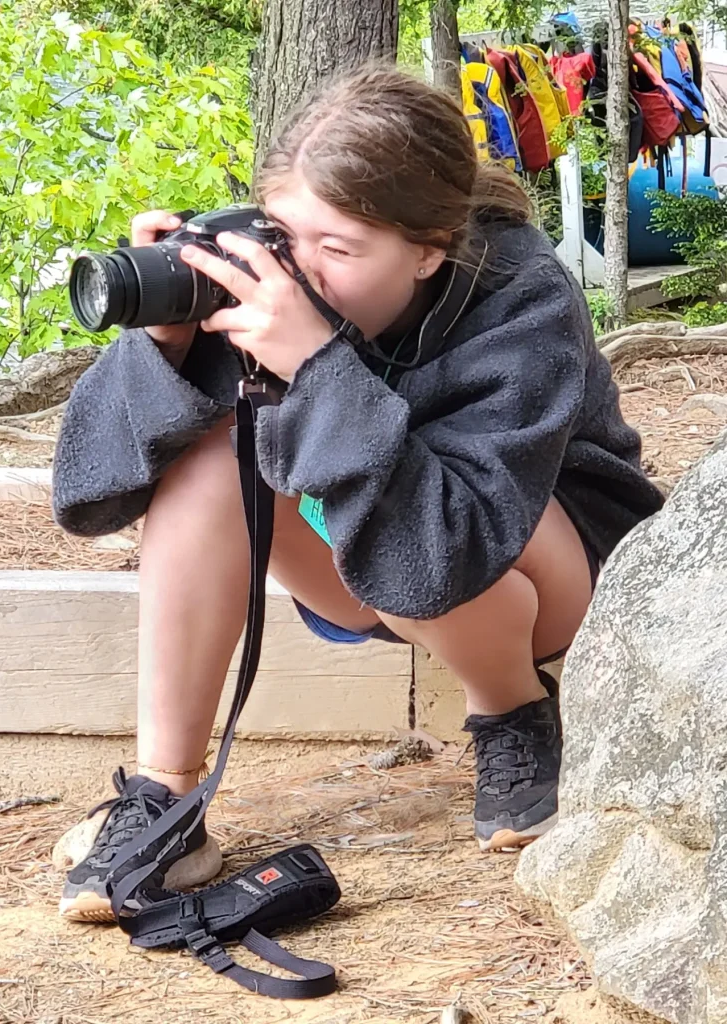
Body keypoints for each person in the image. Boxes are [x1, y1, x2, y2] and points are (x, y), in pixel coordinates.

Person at [52, 62, 663, 922]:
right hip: (375, 559)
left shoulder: (523, 297)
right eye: (288, 236)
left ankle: (511, 708)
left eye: (339, 250)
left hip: (552, 559)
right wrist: (165, 346)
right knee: (208, 458)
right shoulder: (273, 279)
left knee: (430, 505)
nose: (301, 273)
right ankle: (166, 798)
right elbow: (92, 493)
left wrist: (316, 366)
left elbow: (444, 550)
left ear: (428, 248)